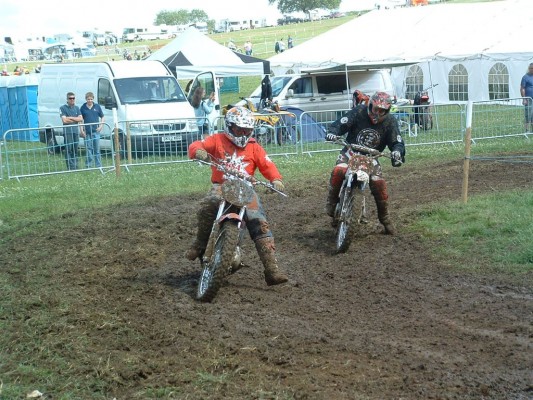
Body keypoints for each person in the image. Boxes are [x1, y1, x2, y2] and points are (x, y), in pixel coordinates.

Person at [186, 106, 288, 286]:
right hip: (221, 186)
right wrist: (199, 152)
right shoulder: (217, 140)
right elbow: (196, 145)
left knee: (260, 222)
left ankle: (272, 270)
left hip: (247, 190)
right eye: (239, 129)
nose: (243, 133)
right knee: (208, 203)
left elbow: (267, 165)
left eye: (247, 130)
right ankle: (200, 243)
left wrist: (276, 179)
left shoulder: (254, 147)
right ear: (229, 126)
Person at [324, 91, 405, 235]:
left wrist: (397, 152)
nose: (378, 113)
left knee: (378, 183)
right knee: (339, 170)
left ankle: (384, 218)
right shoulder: (359, 112)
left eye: (382, 111)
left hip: (371, 158)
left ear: (387, 111)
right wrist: (333, 132)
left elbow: (396, 141)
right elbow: (341, 123)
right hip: (350, 152)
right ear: (370, 105)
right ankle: (331, 202)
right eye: (376, 109)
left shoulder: (390, 121)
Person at [80, 92, 105, 168]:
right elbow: (80, 120)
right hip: (87, 132)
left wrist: (101, 126)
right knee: (88, 149)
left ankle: (98, 165)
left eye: (91, 99)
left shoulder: (97, 107)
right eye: (88, 99)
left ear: (93, 99)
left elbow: (103, 117)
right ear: (86, 99)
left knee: (97, 149)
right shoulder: (83, 108)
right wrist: (81, 130)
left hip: (96, 131)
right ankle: (88, 165)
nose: (90, 101)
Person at [60, 92, 83, 170]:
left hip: (75, 132)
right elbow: (64, 120)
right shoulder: (63, 108)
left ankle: (75, 166)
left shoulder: (77, 108)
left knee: (75, 149)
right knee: (68, 149)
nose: (72, 100)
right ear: (67, 99)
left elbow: (80, 119)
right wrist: (75, 119)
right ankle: (70, 166)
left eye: (73, 98)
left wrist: (70, 118)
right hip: (68, 132)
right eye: (70, 98)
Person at [520, 63, 533, 132]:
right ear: (529, 69)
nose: (532, 70)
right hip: (529, 99)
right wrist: (524, 98)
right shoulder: (525, 77)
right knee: (528, 115)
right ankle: (527, 130)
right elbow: (522, 88)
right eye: (531, 68)